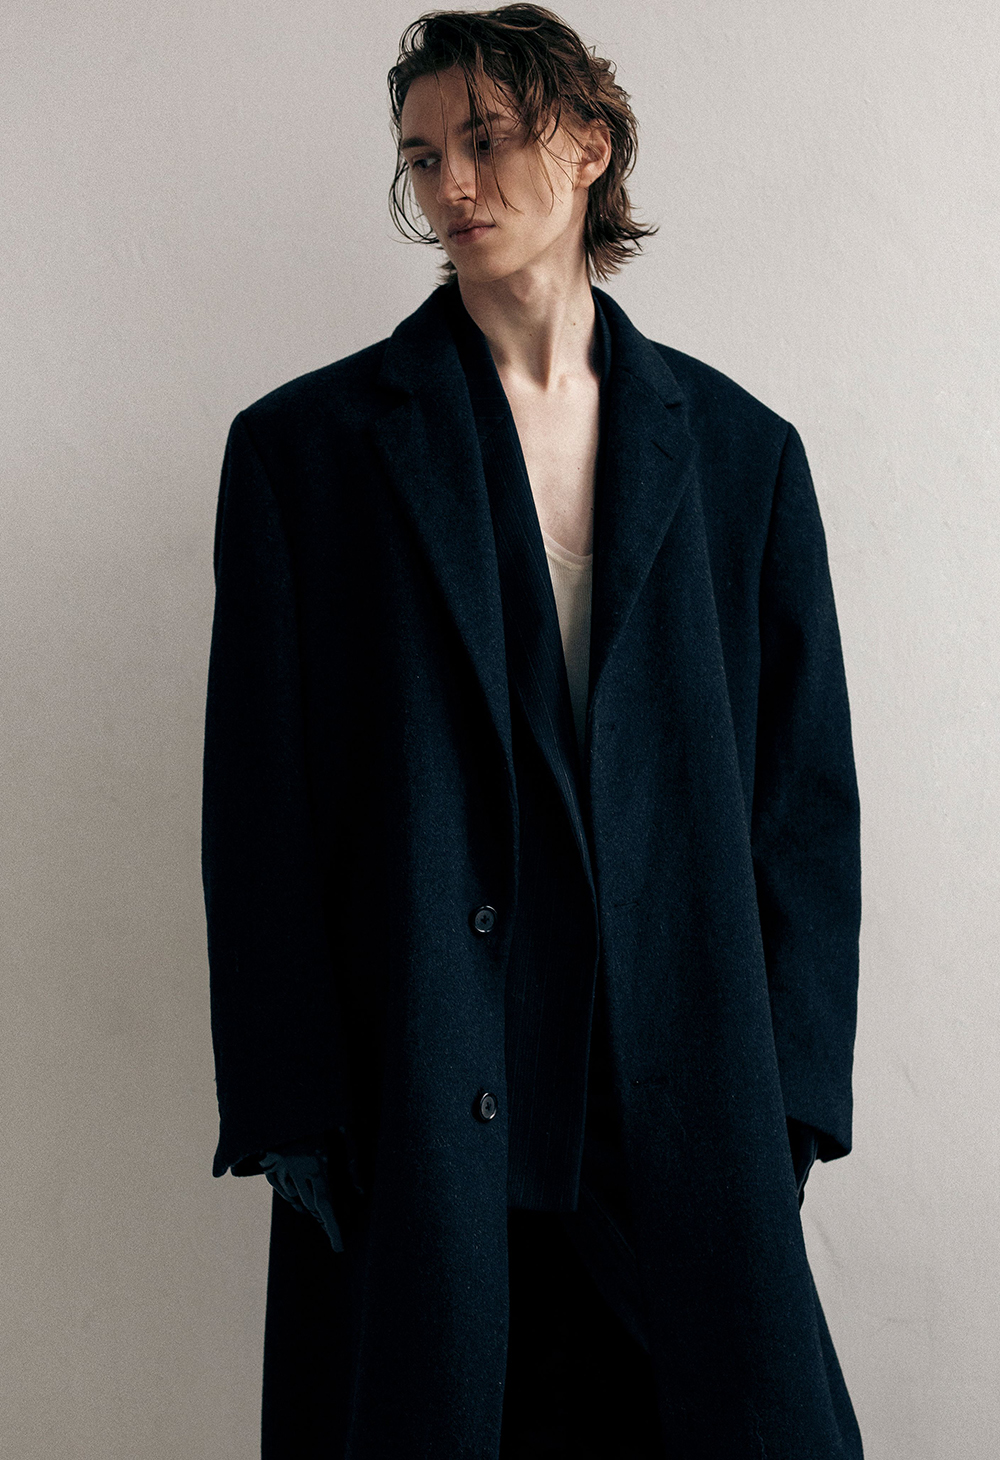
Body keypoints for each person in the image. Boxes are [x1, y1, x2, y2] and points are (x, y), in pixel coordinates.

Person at [201, 6, 864, 1457]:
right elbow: (257, 814)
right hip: (422, 1074)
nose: (452, 185)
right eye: (420, 156)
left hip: (679, 1090)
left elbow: (803, 801)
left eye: (485, 140)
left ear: (588, 144)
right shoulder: (307, 456)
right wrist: (289, 1100)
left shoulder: (741, 457)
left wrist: (796, 1099)